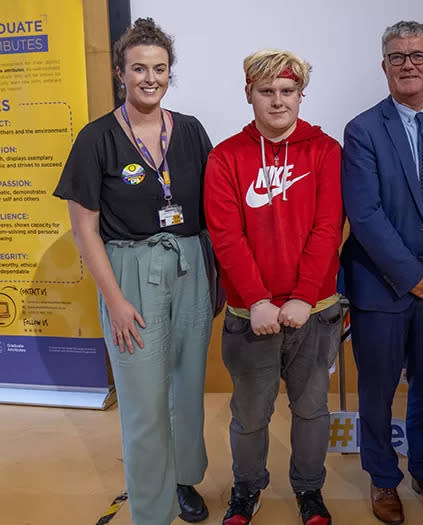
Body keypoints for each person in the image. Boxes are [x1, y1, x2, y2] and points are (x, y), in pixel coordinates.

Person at [53, 18, 212, 525]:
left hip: (190, 268)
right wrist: (115, 299)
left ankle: (183, 478)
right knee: (144, 401)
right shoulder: (96, 138)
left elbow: (215, 207)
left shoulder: (189, 131)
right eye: (139, 68)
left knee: (187, 389)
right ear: (121, 73)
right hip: (131, 272)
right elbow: (85, 230)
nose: (150, 78)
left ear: (170, 73)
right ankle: (151, 508)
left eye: (160, 68)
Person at [203, 49, 344, 525]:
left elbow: (328, 228)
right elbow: (226, 235)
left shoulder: (326, 152)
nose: (278, 101)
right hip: (251, 316)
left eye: (287, 91)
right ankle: (247, 488)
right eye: (267, 92)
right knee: (250, 415)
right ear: (249, 94)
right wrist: (259, 300)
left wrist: (304, 295)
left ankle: (309, 490)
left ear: (301, 95)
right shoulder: (226, 157)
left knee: (310, 411)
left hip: (315, 311)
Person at [341, 20, 423, 525]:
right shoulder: (364, 129)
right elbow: (366, 215)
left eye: (418, 55)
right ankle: (382, 478)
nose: (409, 64)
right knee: (376, 390)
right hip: (383, 286)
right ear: (385, 67)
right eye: (398, 57)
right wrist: (415, 274)